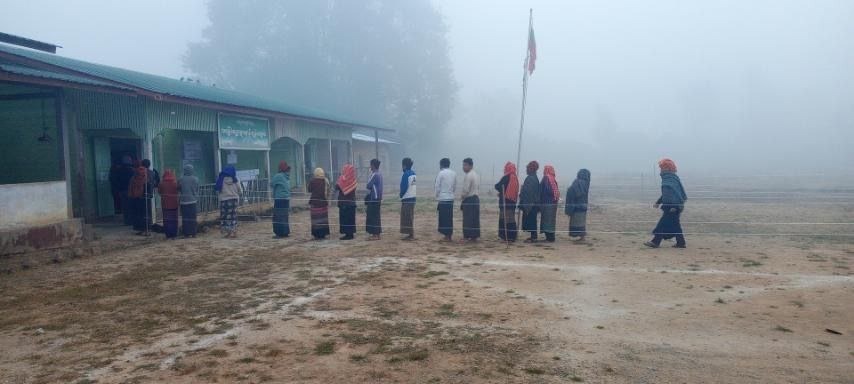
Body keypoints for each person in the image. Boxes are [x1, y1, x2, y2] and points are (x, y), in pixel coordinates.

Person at [645, 159, 688, 249]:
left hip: (672, 207)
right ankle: (681, 242)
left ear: (668, 168)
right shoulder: (669, 178)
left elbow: (676, 194)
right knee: (675, 225)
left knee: (662, 224)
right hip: (671, 206)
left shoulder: (670, 179)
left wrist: (674, 207)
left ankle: (655, 242)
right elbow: (666, 194)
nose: (661, 170)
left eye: (662, 168)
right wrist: (658, 202)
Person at [494, 162, 520, 242]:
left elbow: (498, 186)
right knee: (511, 220)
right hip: (512, 202)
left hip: (505, 202)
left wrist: (502, 191)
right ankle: (512, 236)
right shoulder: (515, 177)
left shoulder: (506, 177)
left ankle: (506, 236)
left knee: (504, 219)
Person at [216, 166, 242, 238]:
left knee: (225, 216)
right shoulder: (235, 179)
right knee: (233, 216)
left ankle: (228, 232)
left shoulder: (221, 179)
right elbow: (240, 190)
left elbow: (218, 189)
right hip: (234, 200)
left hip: (224, 200)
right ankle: (234, 232)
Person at [565, 169, 591, 242]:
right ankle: (582, 237)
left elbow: (574, 191)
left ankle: (582, 237)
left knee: (577, 222)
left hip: (577, 206)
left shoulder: (578, 182)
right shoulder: (586, 183)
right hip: (583, 205)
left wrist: (569, 189)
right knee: (581, 222)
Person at [434, 158, 456, 242]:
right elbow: (454, 186)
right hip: (450, 198)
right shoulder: (454, 173)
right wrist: (451, 194)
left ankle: (446, 236)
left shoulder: (441, 173)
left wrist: (436, 196)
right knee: (449, 218)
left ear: (442, 165)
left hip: (443, 198)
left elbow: (437, 186)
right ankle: (449, 235)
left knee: (443, 218)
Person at [460, 157, 481, 242]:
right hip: (476, 198)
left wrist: (462, 197)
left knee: (468, 219)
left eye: (465, 165)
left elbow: (465, 190)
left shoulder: (468, 175)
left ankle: (466, 236)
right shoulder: (476, 174)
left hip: (469, 199)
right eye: (463, 165)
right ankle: (474, 236)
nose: (463, 167)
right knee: (475, 219)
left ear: (470, 166)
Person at [519, 161, 541, 242]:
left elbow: (528, 192)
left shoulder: (531, 178)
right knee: (532, 220)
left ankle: (534, 237)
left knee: (532, 221)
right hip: (533, 203)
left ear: (531, 169)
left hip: (531, 203)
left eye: (527, 168)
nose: (526, 169)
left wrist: (522, 190)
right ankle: (533, 236)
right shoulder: (534, 177)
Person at [336, 163, 358, 240]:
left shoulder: (342, 179)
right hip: (352, 203)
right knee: (351, 219)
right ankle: (350, 234)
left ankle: (347, 235)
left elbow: (337, 186)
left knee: (345, 219)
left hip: (344, 203)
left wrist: (340, 178)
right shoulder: (354, 180)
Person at [308, 168, 331, 240]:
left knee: (315, 220)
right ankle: (323, 234)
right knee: (323, 219)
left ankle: (316, 234)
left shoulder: (312, 181)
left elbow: (309, 190)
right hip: (323, 203)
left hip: (315, 203)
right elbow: (329, 190)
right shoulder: (325, 181)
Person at [271, 161, 292, 238]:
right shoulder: (287, 176)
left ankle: (279, 233)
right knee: (285, 216)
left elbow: (272, 183)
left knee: (278, 216)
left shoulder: (278, 176)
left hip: (279, 198)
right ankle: (285, 232)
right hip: (286, 199)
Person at [128, 162, 149, 236]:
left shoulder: (137, 175)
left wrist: (131, 194)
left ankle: (141, 229)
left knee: (139, 213)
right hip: (143, 195)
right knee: (143, 213)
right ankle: (144, 228)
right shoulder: (145, 173)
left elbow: (134, 185)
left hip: (137, 196)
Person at [178, 164, 200, 238]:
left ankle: (186, 234)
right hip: (193, 201)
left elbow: (179, 189)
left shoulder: (181, 179)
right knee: (193, 217)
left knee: (185, 218)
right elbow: (197, 189)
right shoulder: (195, 179)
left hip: (184, 201)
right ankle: (194, 233)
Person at [539, 165, 560, 242]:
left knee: (546, 220)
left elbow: (543, 190)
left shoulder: (546, 178)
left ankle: (549, 238)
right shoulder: (553, 179)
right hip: (554, 203)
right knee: (551, 221)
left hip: (547, 203)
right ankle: (551, 237)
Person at [365, 159, 383, 240]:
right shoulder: (380, 174)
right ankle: (377, 234)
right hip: (378, 198)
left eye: (370, 165)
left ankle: (375, 235)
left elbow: (368, 185)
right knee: (377, 216)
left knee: (373, 216)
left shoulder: (374, 175)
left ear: (373, 165)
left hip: (374, 198)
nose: (370, 166)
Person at [399, 158, 417, 240]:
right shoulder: (413, 173)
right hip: (413, 197)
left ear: (404, 166)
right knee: (410, 216)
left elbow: (404, 187)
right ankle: (410, 234)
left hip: (407, 198)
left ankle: (411, 235)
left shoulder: (405, 174)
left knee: (406, 216)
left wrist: (401, 195)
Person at [159, 169, 180, 239]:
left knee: (167, 220)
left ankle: (168, 234)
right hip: (174, 204)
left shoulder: (161, 183)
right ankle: (174, 234)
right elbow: (178, 190)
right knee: (174, 219)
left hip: (165, 205)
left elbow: (159, 192)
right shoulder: (175, 183)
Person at [117, 155, 135, 225]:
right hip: (130, 190)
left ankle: (126, 221)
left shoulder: (119, 171)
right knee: (131, 205)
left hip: (122, 190)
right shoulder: (132, 171)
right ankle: (131, 220)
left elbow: (117, 181)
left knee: (124, 206)